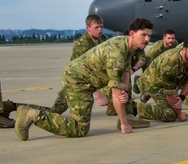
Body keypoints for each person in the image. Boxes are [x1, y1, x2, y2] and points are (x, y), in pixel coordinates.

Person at [15, 19, 154, 140]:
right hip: (77, 80)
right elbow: (115, 93)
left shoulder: (126, 46)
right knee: (79, 128)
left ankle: (29, 112)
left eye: (149, 36)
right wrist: (124, 123)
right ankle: (32, 115)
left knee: (59, 109)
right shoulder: (116, 54)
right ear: (131, 34)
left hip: (86, 80)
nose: (147, 39)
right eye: (143, 35)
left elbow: (126, 71)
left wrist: (124, 89)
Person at [136, 36, 188, 122]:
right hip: (154, 83)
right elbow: (170, 93)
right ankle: (136, 107)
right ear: (184, 49)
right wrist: (179, 113)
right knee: (170, 115)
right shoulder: (170, 63)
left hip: (172, 79)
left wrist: (181, 98)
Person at [51, 14, 109, 114]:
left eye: (101, 26)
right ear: (88, 28)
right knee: (55, 111)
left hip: (89, 81)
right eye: (96, 27)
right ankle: (26, 111)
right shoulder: (82, 45)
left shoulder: (102, 39)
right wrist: (99, 96)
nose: (100, 29)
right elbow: (82, 72)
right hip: (74, 81)